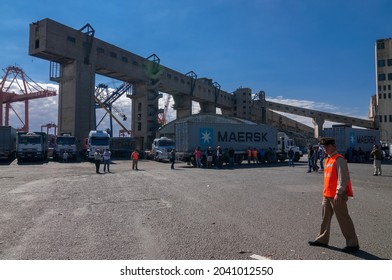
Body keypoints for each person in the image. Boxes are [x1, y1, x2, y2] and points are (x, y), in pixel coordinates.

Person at [308, 137, 359, 253]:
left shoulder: (339, 159)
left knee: (343, 219)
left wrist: (339, 192)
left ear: (332, 146)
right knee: (325, 219)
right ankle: (322, 239)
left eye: (326, 147)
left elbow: (343, 178)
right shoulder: (328, 160)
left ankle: (353, 244)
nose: (324, 149)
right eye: (323, 147)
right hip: (327, 194)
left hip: (337, 195)